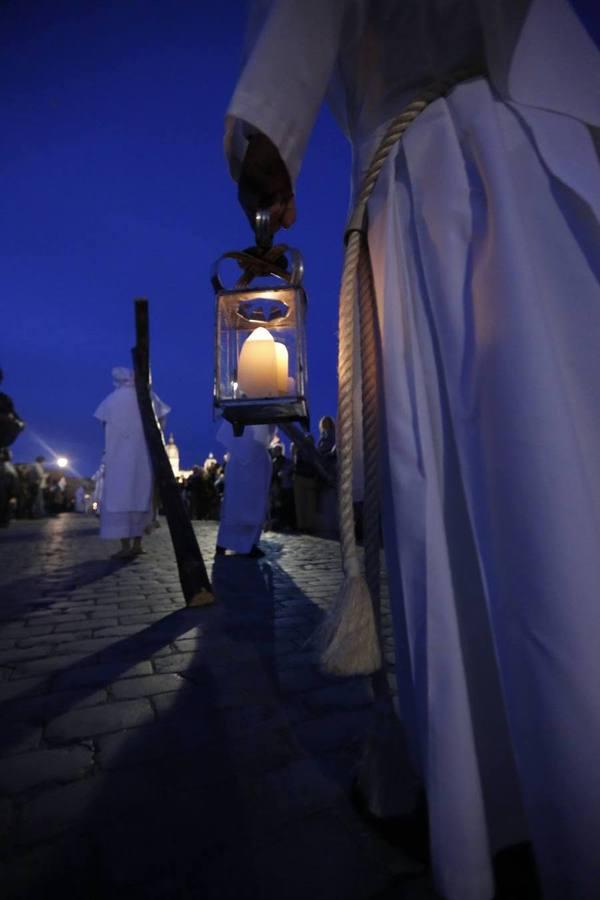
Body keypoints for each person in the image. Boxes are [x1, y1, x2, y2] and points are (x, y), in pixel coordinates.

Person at [225, 4, 600, 900]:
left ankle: (504, 794)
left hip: (442, 179)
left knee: (488, 477)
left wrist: (268, 134)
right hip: (534, 160)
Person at [94, 367, 170, 560]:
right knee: (140, 495)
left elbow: (102, 423)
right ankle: (137, 544)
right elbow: (162, 419)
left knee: (119, 498)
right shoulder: (149, 397)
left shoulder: (111, 399)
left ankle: (125, 545)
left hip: (118, 457)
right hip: (141, 456)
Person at [215, 421, 274, 558]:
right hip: (245, 464)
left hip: (255, 463)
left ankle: (249, 544)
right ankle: (226, 542)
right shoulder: (240, 416)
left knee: (253, 505)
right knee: (236, 506)